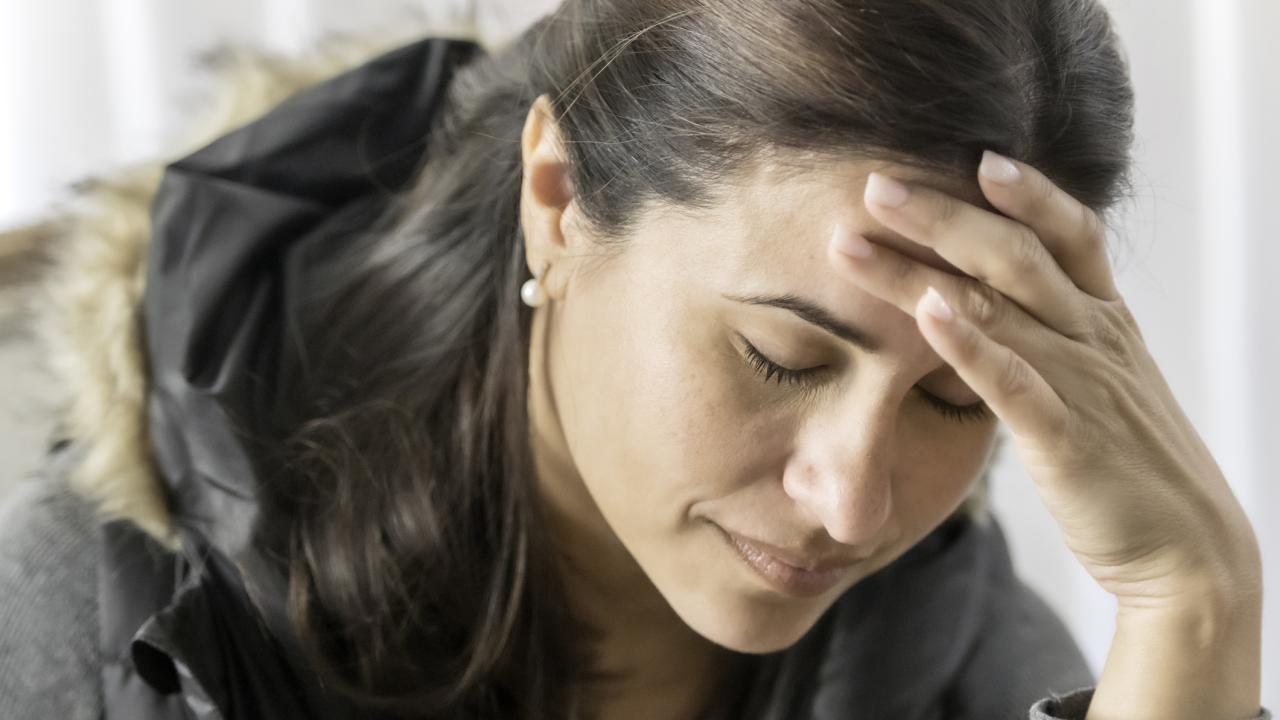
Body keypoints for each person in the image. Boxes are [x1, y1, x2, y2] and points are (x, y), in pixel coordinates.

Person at [0, 1, 1269, 719]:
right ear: (555, 198)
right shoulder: (81, 617)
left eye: (951, 397)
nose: (854, 502)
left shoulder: (946, 643)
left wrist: (1191, 605)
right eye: (780, 357)